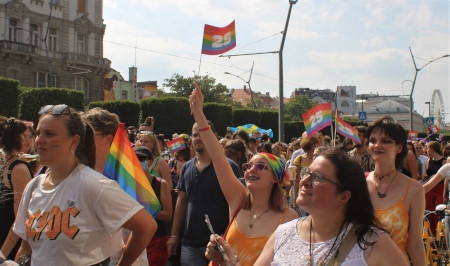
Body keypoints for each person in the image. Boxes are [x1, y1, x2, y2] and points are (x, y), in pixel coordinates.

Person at [13, 104, 157, 265]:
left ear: (74, 141)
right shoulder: (33, 186)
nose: (39, 140)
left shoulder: (93, 185)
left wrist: (125, 262)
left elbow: (146, 226)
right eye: (38, 133)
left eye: (50, 134)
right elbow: (26, 247)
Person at [188, 83, 297, 266]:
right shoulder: (238, 199)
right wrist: (198, 112)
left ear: (275, 178)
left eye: (261, 166)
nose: (251, 170)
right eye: (248, 166)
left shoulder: (289, 218)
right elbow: (217, 156)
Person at [250, 148, 408, 265]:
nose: (304, 181)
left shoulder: (373, 243)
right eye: (306, 173)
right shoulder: (284, 234)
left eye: (317, 178)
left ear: (344, 197)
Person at [167, 117, 242, 266]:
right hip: (190, 244)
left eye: (202, 133)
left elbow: (238, 204)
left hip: (219, 244)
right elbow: (182, 202)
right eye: (194, 135)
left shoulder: (229, 167)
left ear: (213, 135)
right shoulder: (187, 168)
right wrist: (175, 235)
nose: (197, 138)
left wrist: (228, 236)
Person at [82, 107, 150, 265]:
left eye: (88, 133)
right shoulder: (81, 172)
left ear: (108, 138)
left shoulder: (125, 175)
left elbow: (143, 227)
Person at [366, 116, 425, 265]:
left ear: (399, 148)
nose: (377, 145)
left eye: (386, 141)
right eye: (372, 141)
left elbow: (416, 245)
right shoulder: (358, 184)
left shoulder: (413, 190)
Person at [0, 117, 33, 260]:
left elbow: (20, 219)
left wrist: (2, 255)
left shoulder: (18, 168)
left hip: (10, 251)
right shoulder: (6, 164)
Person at [135, 146, 172, 266]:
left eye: (141, 159)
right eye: (135, 158)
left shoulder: (161, 184)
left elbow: (168, 215)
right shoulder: (129, 184)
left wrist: (146, 209)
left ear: (150, 162)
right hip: (135, 238)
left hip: (158, 239)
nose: (138, 162)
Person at [423, 140, 446, 235]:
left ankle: (439, 233)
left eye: (427, 148)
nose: (426, 151)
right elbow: (427, 174)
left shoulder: (444, 161)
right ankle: (430, 234)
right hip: (430, 189)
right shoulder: (429, 161)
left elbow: (445, 177)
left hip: (440, 188)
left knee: (438, 212)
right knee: (429, 211)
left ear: (431, 149)